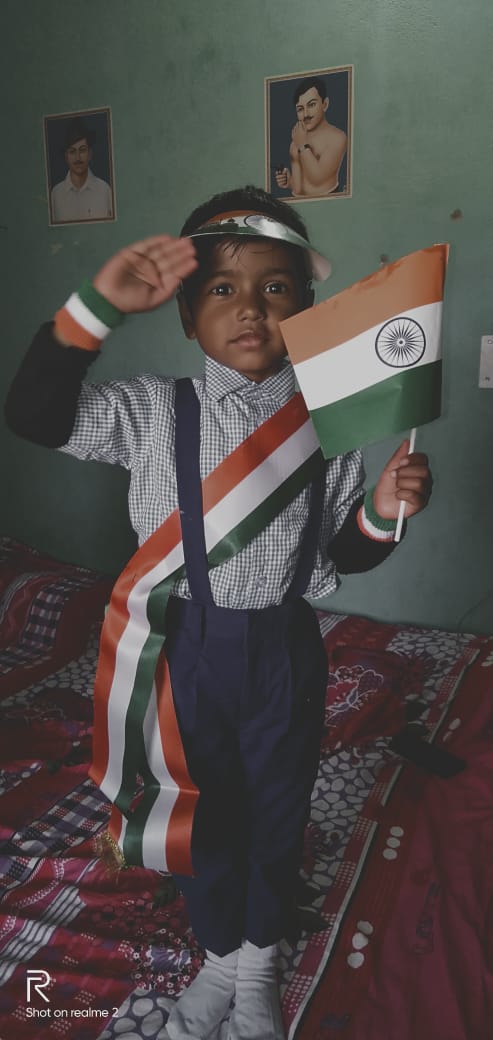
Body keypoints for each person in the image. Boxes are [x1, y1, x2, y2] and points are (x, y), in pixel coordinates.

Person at [5, 185, 432, 1040]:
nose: (250, 308)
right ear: (185, 313)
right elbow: (33, 415)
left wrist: (381, 512)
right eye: (222, 288)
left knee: (276, 810)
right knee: (193, 811)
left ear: (306, 308)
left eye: (276, 288)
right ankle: (218, 955)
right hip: (179, 649)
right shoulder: (149, 411)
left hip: (281, 649)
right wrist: (93, 309)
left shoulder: (330, 424)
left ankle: (258, 964)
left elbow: (342, 553)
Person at [275, 77, 348, 198]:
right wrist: (288, 182)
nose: (306, 114)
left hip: (328, 202)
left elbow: (317, 179)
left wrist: (302, 146)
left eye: (312, 105)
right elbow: (299, 189)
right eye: (300, 109)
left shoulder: (338, 137)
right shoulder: (296, 141)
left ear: (325, 104)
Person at [50, 116, 113, 223]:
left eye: (82, 150)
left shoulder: (105, 190)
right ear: (66, 157)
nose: (78, 158)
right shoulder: (56, 194)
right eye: (72, 151)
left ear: (90, 154)